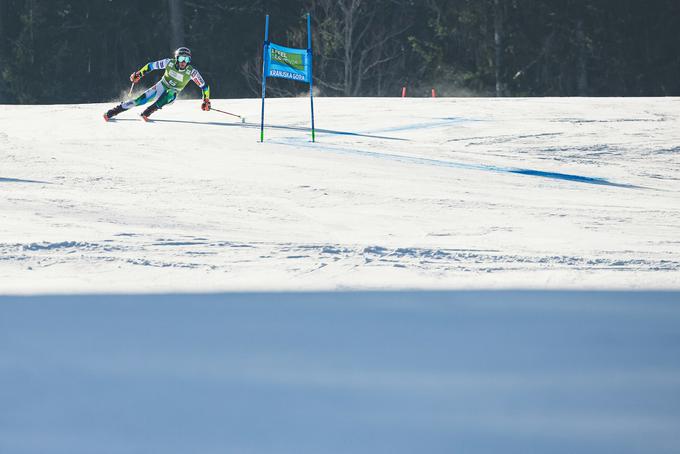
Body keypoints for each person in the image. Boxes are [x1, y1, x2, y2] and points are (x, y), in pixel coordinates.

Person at [104, 47, 210, 122]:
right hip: (161, 87)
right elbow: (151, 66)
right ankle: (114, 111)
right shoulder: (169, 63)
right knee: (139, 101)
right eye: (181, 58)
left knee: (171, 92)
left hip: (170, 96)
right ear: (176, 58)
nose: (183, 62)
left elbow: (204, 87)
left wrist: (206, 101)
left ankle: (149, 111)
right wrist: (139, 74)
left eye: (186, 59)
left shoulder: (192, 72)